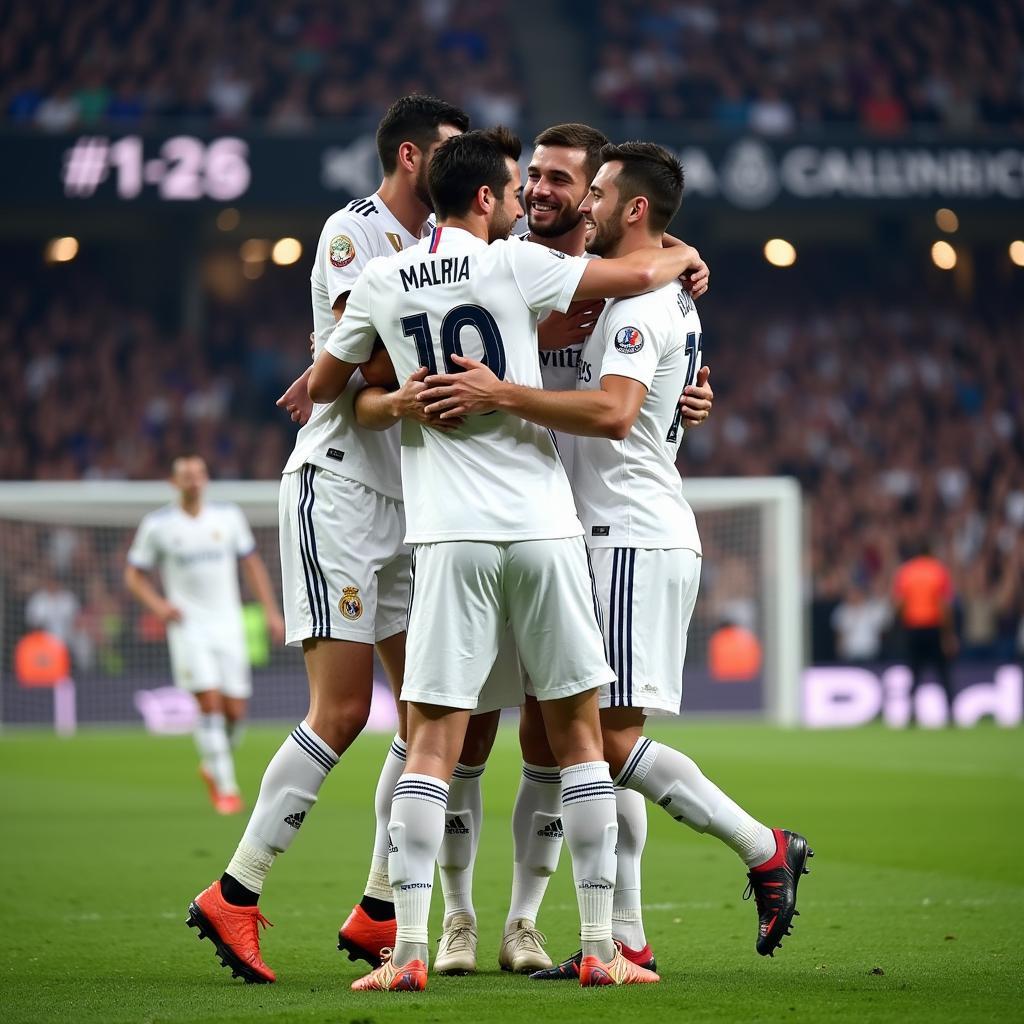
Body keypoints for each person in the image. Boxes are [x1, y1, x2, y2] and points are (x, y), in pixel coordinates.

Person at [308, 126, 709, 990]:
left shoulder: (381, 278)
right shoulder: (515, 268)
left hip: (447, 535)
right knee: (579, 741)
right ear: (490, 197)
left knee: (431, 744)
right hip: (545, 525)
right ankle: (603, 949)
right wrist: (682, 254)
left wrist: (390, 395)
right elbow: (640, 273)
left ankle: (408, 950)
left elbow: (324, 393)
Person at [419, 142, 812, 975]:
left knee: (597, 740)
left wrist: (499, 392)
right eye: (550, 183)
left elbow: (613, 409)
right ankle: (620, 937)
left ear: (625, 205)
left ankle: (758, 848)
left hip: (620, 532)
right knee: (576, 741)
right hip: (571, 531)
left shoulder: (639, 295)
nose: (570, 199)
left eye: (585, 187)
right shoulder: (562, 272)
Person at [186, 95, 470, 985]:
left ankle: (382, 908)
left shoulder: (445, 249)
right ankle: (238, 890)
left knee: (431, 715)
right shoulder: (354, 233)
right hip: (340, 486)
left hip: (409, 503)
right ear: (413, 156)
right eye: (452, 158)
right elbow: (358, 365)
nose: (463, 177)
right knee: (343, 710)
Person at [125, 455, 284, 814]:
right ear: (173, 482)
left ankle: (212, 764)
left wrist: (272, 612)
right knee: (209, 703)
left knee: (235, 712)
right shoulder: (158, 525)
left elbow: (252, 566)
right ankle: (226, 787)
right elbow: (133, 575)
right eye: (186, 476)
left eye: (199, 474)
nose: (194, 481)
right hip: (188, 627)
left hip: (229, 625)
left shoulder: (228, 518)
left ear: (206, 478)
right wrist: (160, 607)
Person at [892, 539, 957, 720]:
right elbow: (944, 605)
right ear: (930, 552)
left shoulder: (906, 572)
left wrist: (899, 624)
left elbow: (899, 604)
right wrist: (948, 634)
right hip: (934, 627)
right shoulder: (938, 571)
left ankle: (911, 714)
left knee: (914, 672)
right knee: (942, 672)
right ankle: (950, 714)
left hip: (913, 628)